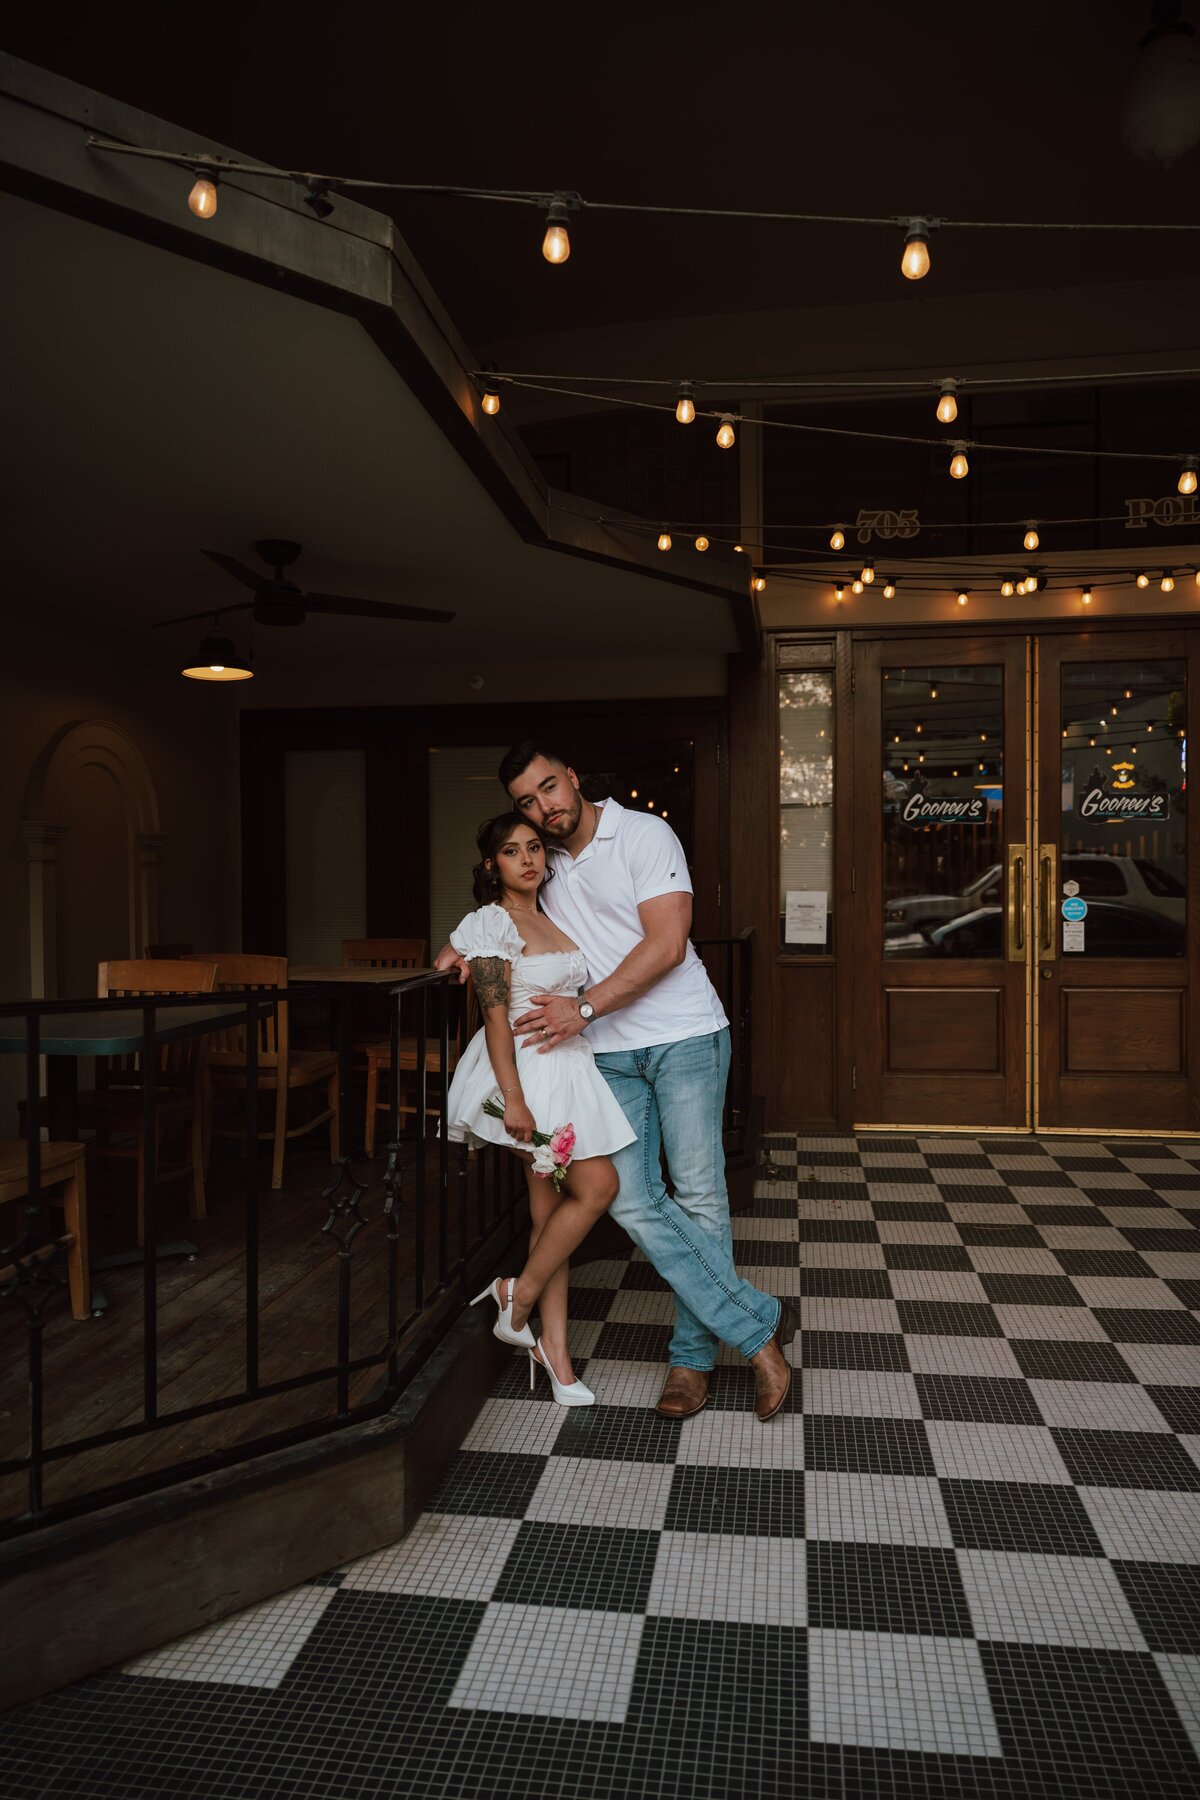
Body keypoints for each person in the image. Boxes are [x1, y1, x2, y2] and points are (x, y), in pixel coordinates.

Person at [440, 743, 796, 1422]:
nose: (544, 808)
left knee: (698, 1197)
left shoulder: (643, 833)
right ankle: (758, 1326)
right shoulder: (542, 867)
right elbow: (498, 921)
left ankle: (692, 1362)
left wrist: (584, 1007)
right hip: (603, 1053)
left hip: (683, 1036)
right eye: (527, 801)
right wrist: (462, 944)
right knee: (630, 1199)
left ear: (573, 777)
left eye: (549, 788)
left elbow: (667, 944)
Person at [445, 811, 637, 1406]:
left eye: (534, 848)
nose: (527, 859)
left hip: (572, 1068)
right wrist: (517, 1101)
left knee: (549, 1214)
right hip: (530, 1074)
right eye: (511, 851)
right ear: (490, 865)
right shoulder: (493, 922)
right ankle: (517, 1296)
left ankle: (554, 1353)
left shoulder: (549, 913)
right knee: (597, 1186)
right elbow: (495, 1020)